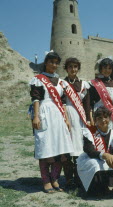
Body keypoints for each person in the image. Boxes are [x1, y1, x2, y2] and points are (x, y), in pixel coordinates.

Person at [29, 51, 74, 193]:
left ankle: (55, 179)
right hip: (45, 113)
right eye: (51, 62)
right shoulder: (39, 79)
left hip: (59, 115)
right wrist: (36, 116)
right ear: (46, 63)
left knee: (60, 147)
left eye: (56, 63)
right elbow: (36, 99)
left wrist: (66, 119)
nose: (54, 65)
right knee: (45, 147)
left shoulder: (61, 82)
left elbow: (64, 102)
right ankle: (46, 181)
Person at [77, 106, 113, 195]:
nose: (103, 120)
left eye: (105, 117)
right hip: (91, 158)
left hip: (107, 158)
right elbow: (89, 151)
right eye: (99, 118)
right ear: (95, 120)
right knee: (96, 164)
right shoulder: (89, 132)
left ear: (110, 119)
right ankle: (99, 189)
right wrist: (105, 155)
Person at [62, 57, 91, 187]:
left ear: (78, 68)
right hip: (67, 114)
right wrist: (64, 118)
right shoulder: (62, 83)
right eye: (70, 67)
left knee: (80, 146)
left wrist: (89, 119)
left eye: (75, 67)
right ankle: (69, 178)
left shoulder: (84, 84)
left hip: (81, 117)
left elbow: (87, 104)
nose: (73, 69)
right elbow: (60, 101)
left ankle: (80, 176)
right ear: (66, 68)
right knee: (68, 146)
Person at [89, 57, 113, 129]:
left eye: (109, 68)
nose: (107, 70)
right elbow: (90, 103)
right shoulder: (94, 83)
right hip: (99, 116)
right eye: (105, 68)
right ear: (101, 69)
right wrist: (91, 118)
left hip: (112, 116)